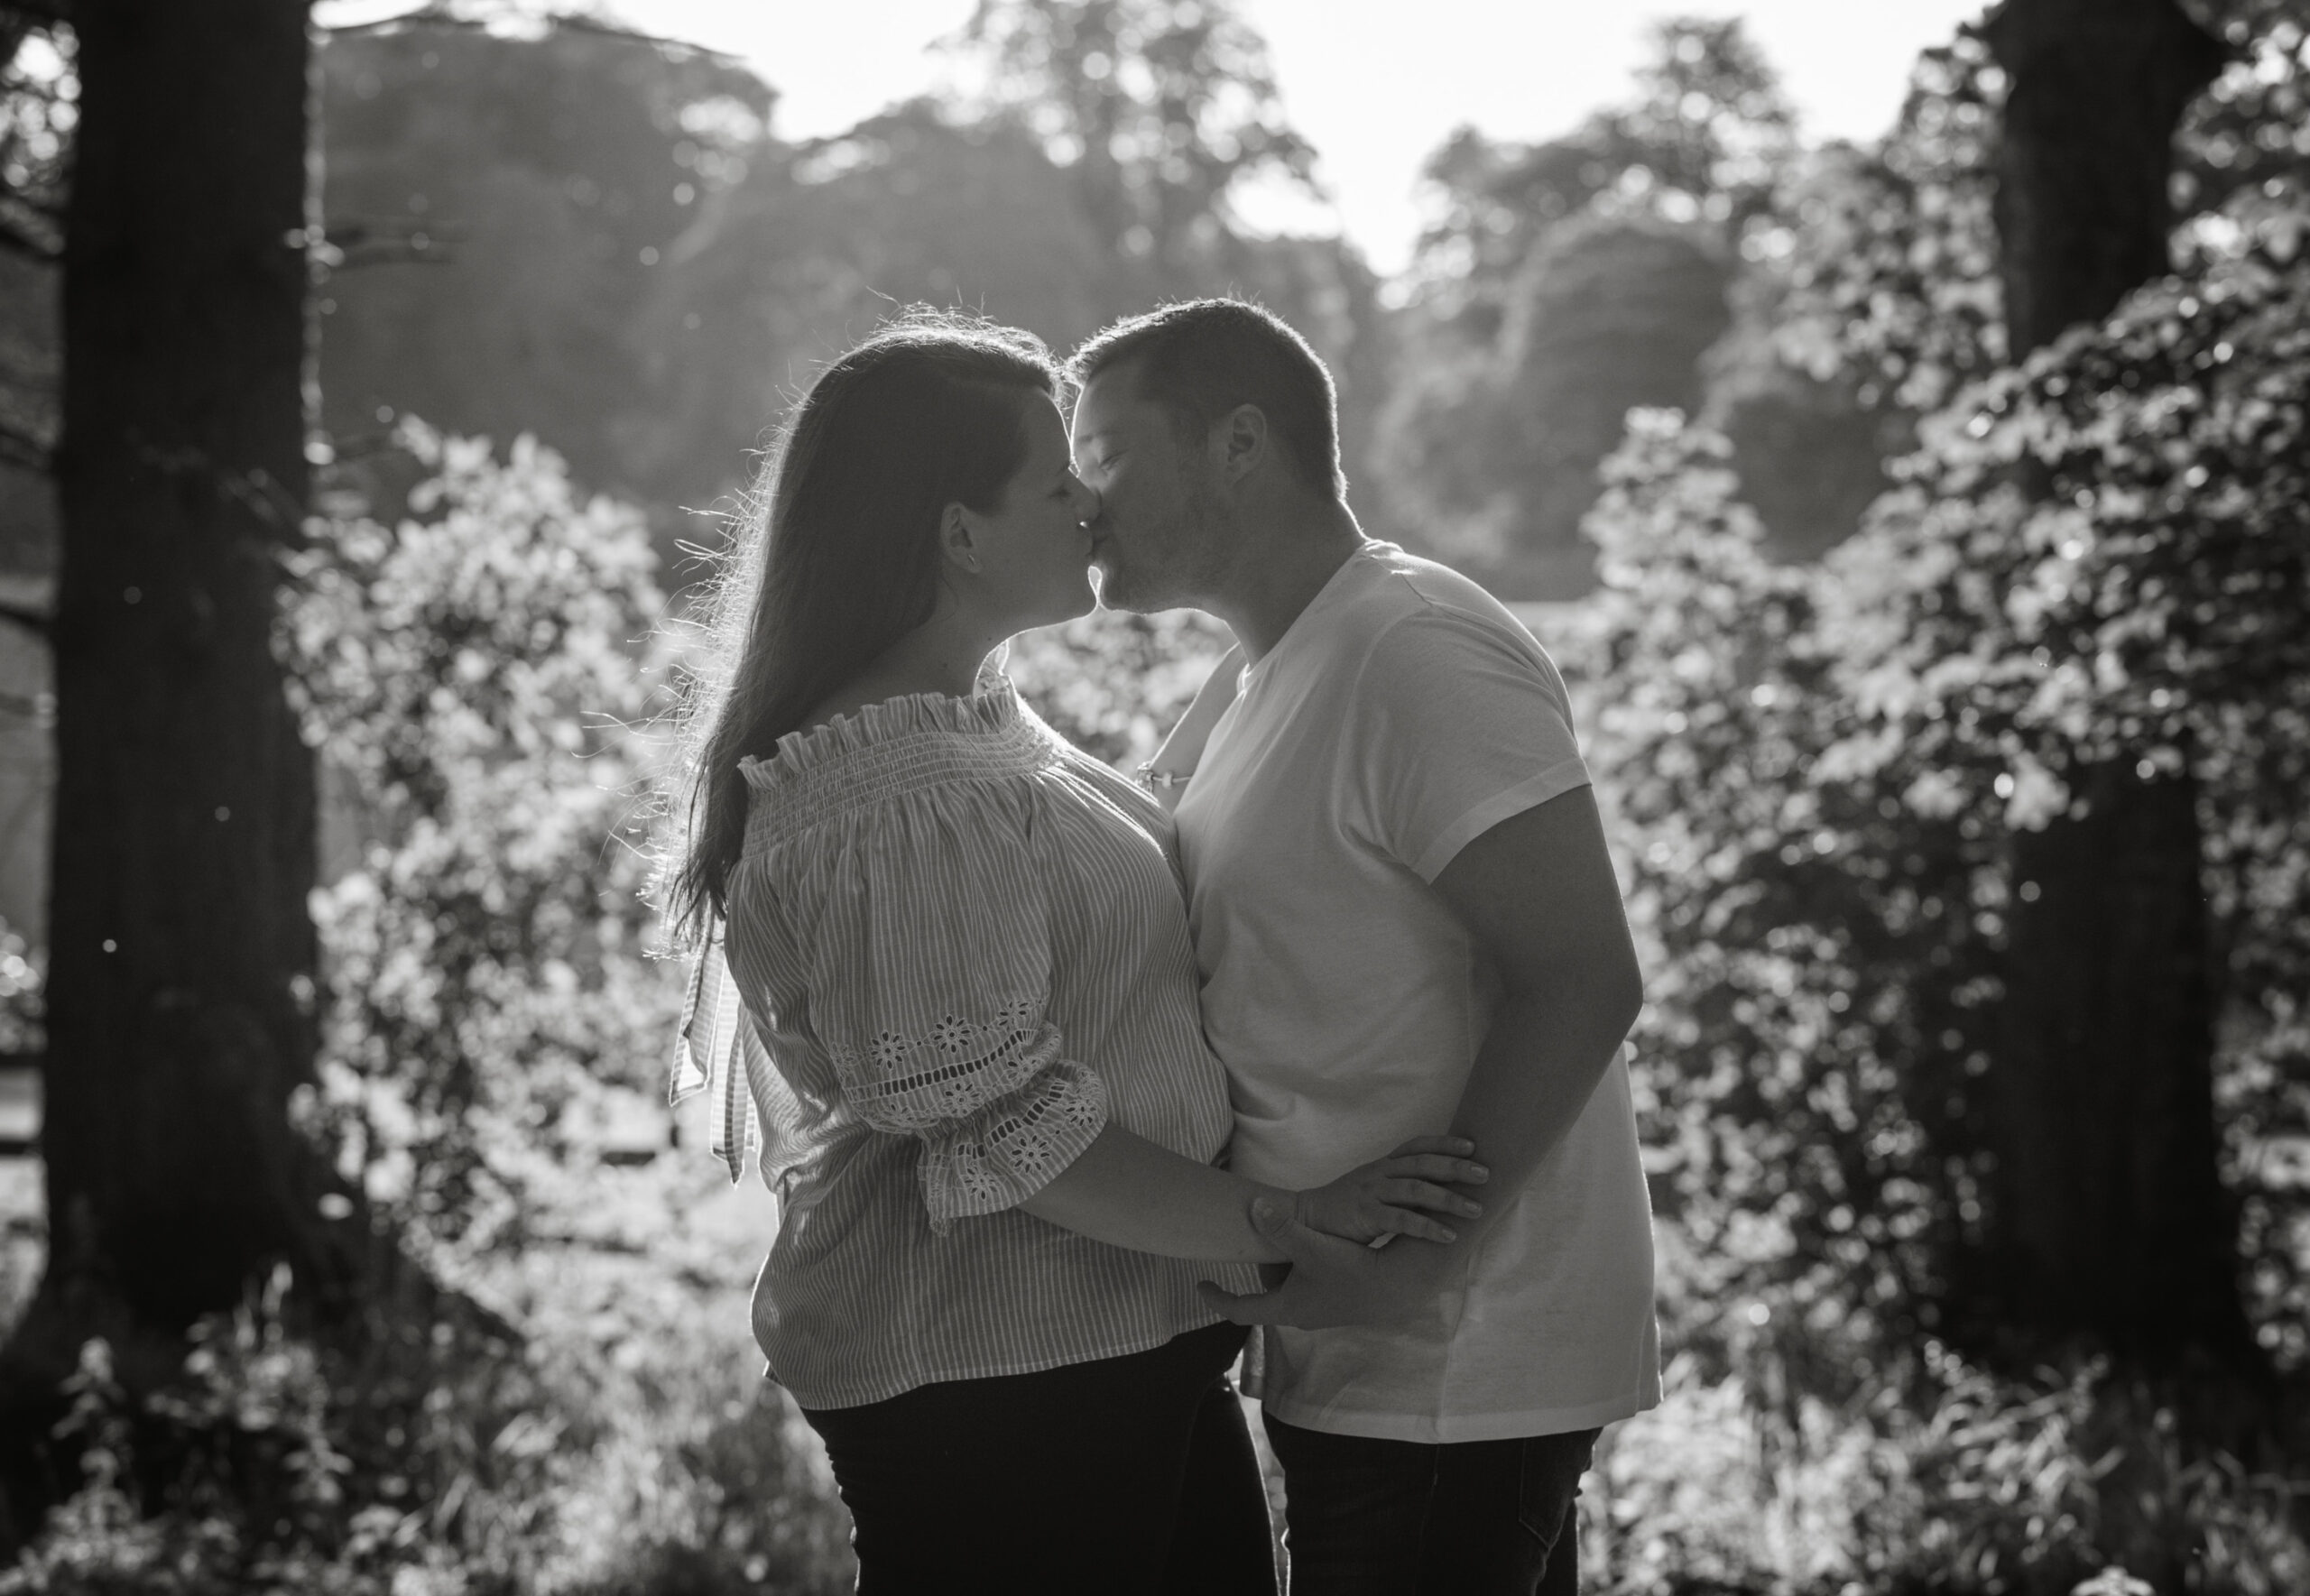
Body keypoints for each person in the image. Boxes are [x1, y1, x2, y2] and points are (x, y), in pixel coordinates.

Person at [655, 311, 1490, 1595]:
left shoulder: (973, 720)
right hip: (1000, 1381)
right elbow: (1014, 1127)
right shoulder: (892, 788)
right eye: (1057, 482)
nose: (1091, 506)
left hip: (1106, 1343)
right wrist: (1282, 1219)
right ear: (960, 533)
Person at [1067, 299, 1660, 1596]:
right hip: (1356, 1350)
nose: (1078, 495)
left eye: (1105, 453)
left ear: (1239, 443)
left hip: (1454, 1360)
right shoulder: (1253, 677)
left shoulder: (1415, 646)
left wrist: (1413, 1268)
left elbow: (1584, 974)